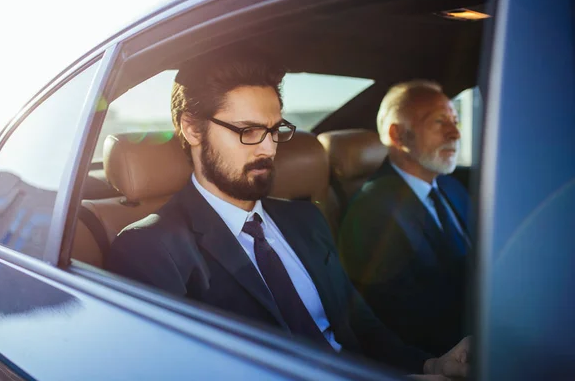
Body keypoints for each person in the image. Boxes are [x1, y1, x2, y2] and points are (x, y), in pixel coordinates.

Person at [105, 50, 469, 378]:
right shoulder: (149, 247)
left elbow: (361, 326)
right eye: (248, 131)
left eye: (274, 129)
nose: (268, 148)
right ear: (192, 128)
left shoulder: (305, 219)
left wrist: (430, 365)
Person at [338, 80, 471, 356]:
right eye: (439, 122)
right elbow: (402, 322)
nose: (455, 133)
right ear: (397, 135)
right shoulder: (371, 212)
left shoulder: (451, 187)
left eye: (455, 121)